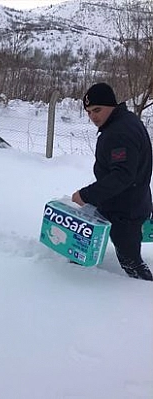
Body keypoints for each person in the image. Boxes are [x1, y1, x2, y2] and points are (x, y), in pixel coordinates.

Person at [71, 82, 152, 281]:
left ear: (112, 105)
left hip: (125, 211)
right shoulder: (123, 121)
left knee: (132, 264)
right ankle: (75, 267)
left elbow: (122, 176)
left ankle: (144, 292)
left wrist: (86, 195)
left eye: (97, 110)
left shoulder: (120, 132)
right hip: (120, 203)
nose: (93, 116)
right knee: (83, 240)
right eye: (89, 112)